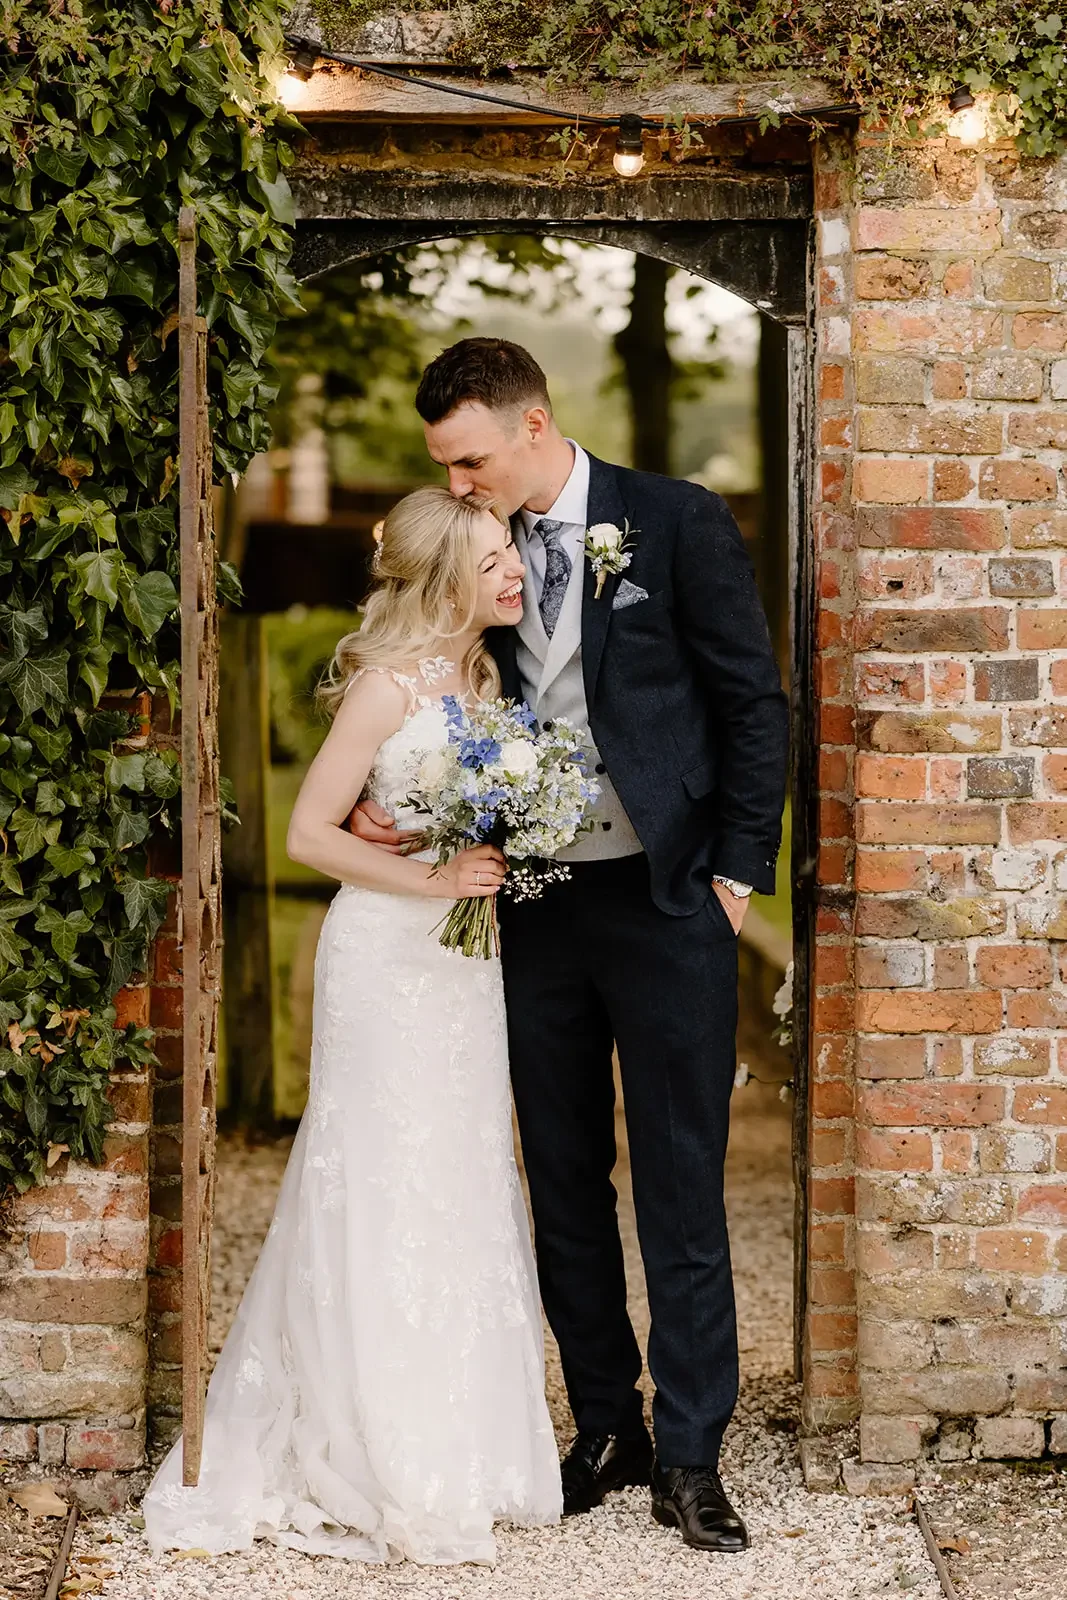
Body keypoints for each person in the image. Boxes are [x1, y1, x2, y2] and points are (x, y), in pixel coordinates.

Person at [350, 338, 789, 1553]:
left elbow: (751, 701)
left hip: (666, 904)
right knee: (561, 1181)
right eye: (444, 464)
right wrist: (394, 812)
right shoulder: (463, 552)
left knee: (681, 1182)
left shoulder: (673, 519)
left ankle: (694, 1453)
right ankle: (606, 1426)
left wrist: (737, 871)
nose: (460, 483)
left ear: (534, 424)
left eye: (472, 458)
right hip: (531, 908)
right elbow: (414, 697)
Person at [142, 487, 562, 1566]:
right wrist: (432, 874)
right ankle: (371, 1447)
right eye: (493, 555)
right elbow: (309, 834)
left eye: (510, 548)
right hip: (383, 954)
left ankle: (460, 1446)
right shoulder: (384, 689)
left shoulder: (481, 676)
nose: (514, 565)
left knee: (460, 1170)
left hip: (459, 971)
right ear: (442, 579)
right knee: (378, 1172)